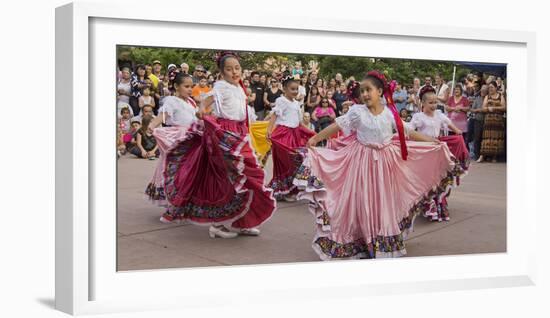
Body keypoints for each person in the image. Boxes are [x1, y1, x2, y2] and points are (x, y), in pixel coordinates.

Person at [296, 71, 457, 260]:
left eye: (368, 90)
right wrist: (315, 138)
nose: (364, 94)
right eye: (362, 91)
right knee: (362, 199)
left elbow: (408, 132)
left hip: (386, 163)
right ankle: (363, 238)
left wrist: (431, 141)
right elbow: (338, 125)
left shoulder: (389, 113)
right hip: (362, 161)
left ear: (380, 91)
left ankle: (380, 236)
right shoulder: (357, 112)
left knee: (383, 199)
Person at [161, 51, 276, 239]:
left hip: (240, 134)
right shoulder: (220, 87)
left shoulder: (239, 88)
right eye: (229, 69)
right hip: (225, 135)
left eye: (237, 68)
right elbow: (203, 105)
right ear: (222, 73)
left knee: (249, 176)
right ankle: (217, 225)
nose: (234, 72)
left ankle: (243, 221)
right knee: (225, 178)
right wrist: (203, 114)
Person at [409, 86, 469, 221]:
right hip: (424, 152)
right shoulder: (418, 117)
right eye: (430, 103)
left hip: (438, 152)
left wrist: (457, 132)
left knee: (439, 179)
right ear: (422, 103)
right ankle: (429, 207)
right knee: (427, 181)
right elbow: (410, 131)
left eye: (435, 102)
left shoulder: (439, 115)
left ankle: (440, 204)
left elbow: (449, 124)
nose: (434, 105)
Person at [145, 73, 198, 208]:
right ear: (176, 86)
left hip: (192, 137)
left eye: (191, 86)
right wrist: (152, 125)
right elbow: (163, 115)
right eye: (186, 86)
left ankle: (185, 198)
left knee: (190, 169)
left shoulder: (191, 102)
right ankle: (172, 199)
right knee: (174, 168)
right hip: (178, 138)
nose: (190, 89)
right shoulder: (171, 101)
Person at [266, 73, 316, 201]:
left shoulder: (296, 103)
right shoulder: (281, 101)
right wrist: (269, 130)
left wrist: (309, 132)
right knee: (287, 161)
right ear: (284, 89)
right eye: (292, 89)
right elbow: (274, 116)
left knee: (298, 159)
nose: (295, 91)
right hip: (283, 134)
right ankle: (284, 190)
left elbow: (298, 122)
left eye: (296, 89)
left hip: (295, 134)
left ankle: (292, 188)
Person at [478, 81, 506, 163]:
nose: (490, 89)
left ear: (496, 88)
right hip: (488, 120)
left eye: (492, 87)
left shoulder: (501, 96)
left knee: (496, 138)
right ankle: (482, 156)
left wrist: (494, 108)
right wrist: (488, 109)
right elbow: (483, 108)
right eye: (489, 87)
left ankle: (494, 157)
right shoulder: (487, 96)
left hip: (498, 121)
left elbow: (504, 107)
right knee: (486, 137)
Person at [469, 84, 488, 160]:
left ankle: (484, 156)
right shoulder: (477, 99)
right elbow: (472, 109)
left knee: (485, 138)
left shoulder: (488, 99)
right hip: (477, 120)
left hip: (487, 121)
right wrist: (478, 110)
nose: (483, 91)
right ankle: (477, 155)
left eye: (484, 90)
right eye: (482, 90)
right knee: (477, 138)